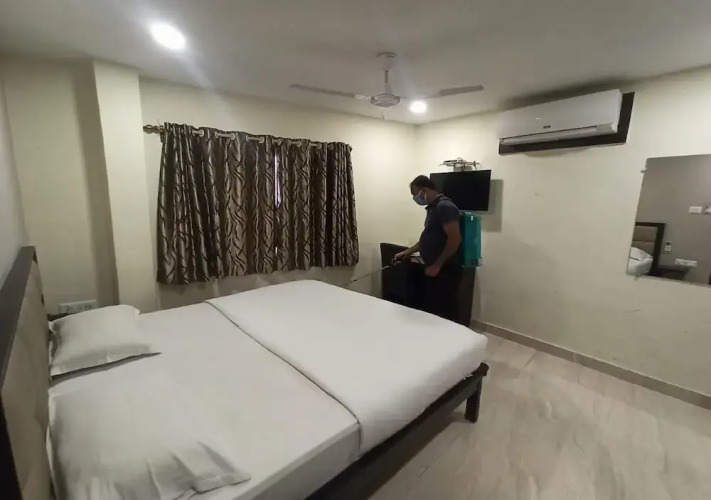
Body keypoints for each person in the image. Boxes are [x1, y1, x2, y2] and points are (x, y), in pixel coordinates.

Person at [394, 175, 463, 321]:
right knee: (433, 309)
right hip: (434, 268)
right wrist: (407, 252)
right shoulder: (433, 208)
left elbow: (455, 239)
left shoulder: (445, 207)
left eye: (415, 194)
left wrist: (437, 265)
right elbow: (426, 239)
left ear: (424, 190)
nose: (415, 198)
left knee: (444, 312)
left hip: (445, 269)